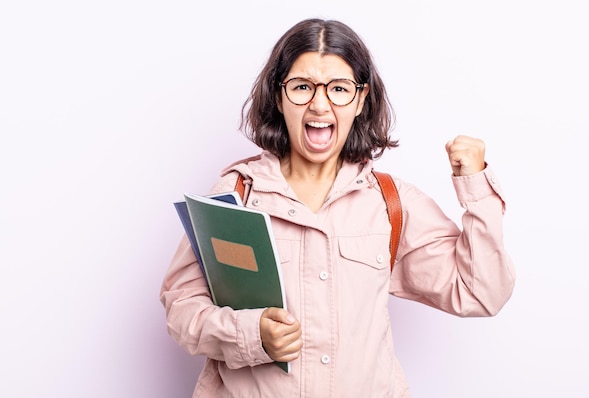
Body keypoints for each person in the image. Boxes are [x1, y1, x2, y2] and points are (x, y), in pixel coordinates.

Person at [160, 18, 515, 398]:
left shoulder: (391, 203)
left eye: (339, 88)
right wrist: (253, 335)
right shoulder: (237, 196)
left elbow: (482, 293)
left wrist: (475, 187)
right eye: (301, 87)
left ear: (361, 100)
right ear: (279, 98)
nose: (319, 103)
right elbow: (182, 310)